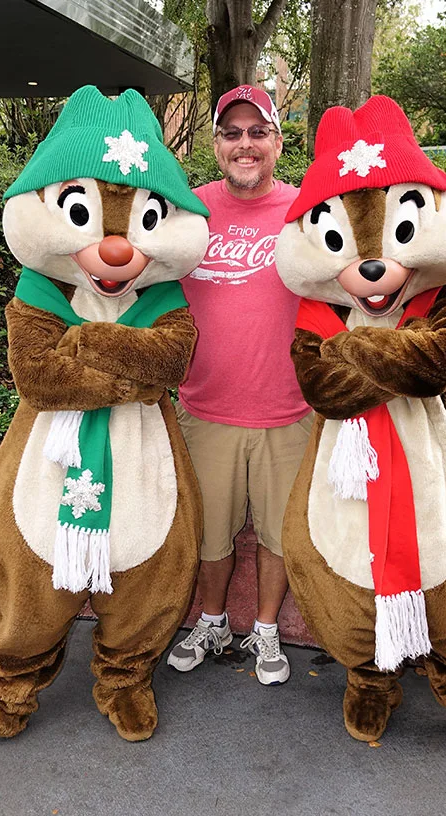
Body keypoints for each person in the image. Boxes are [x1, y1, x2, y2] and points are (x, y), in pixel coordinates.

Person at [166, 85, 312, 685]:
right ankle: (213, 621)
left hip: (290, 410)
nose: (245, 144)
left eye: (258, 133)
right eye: (233, 133)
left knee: (280, 534)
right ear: (217, 143)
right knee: (207, 534)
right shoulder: (186, 214)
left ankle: (268, 631)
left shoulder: (308, 212)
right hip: (205, 409)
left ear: (278, 142)